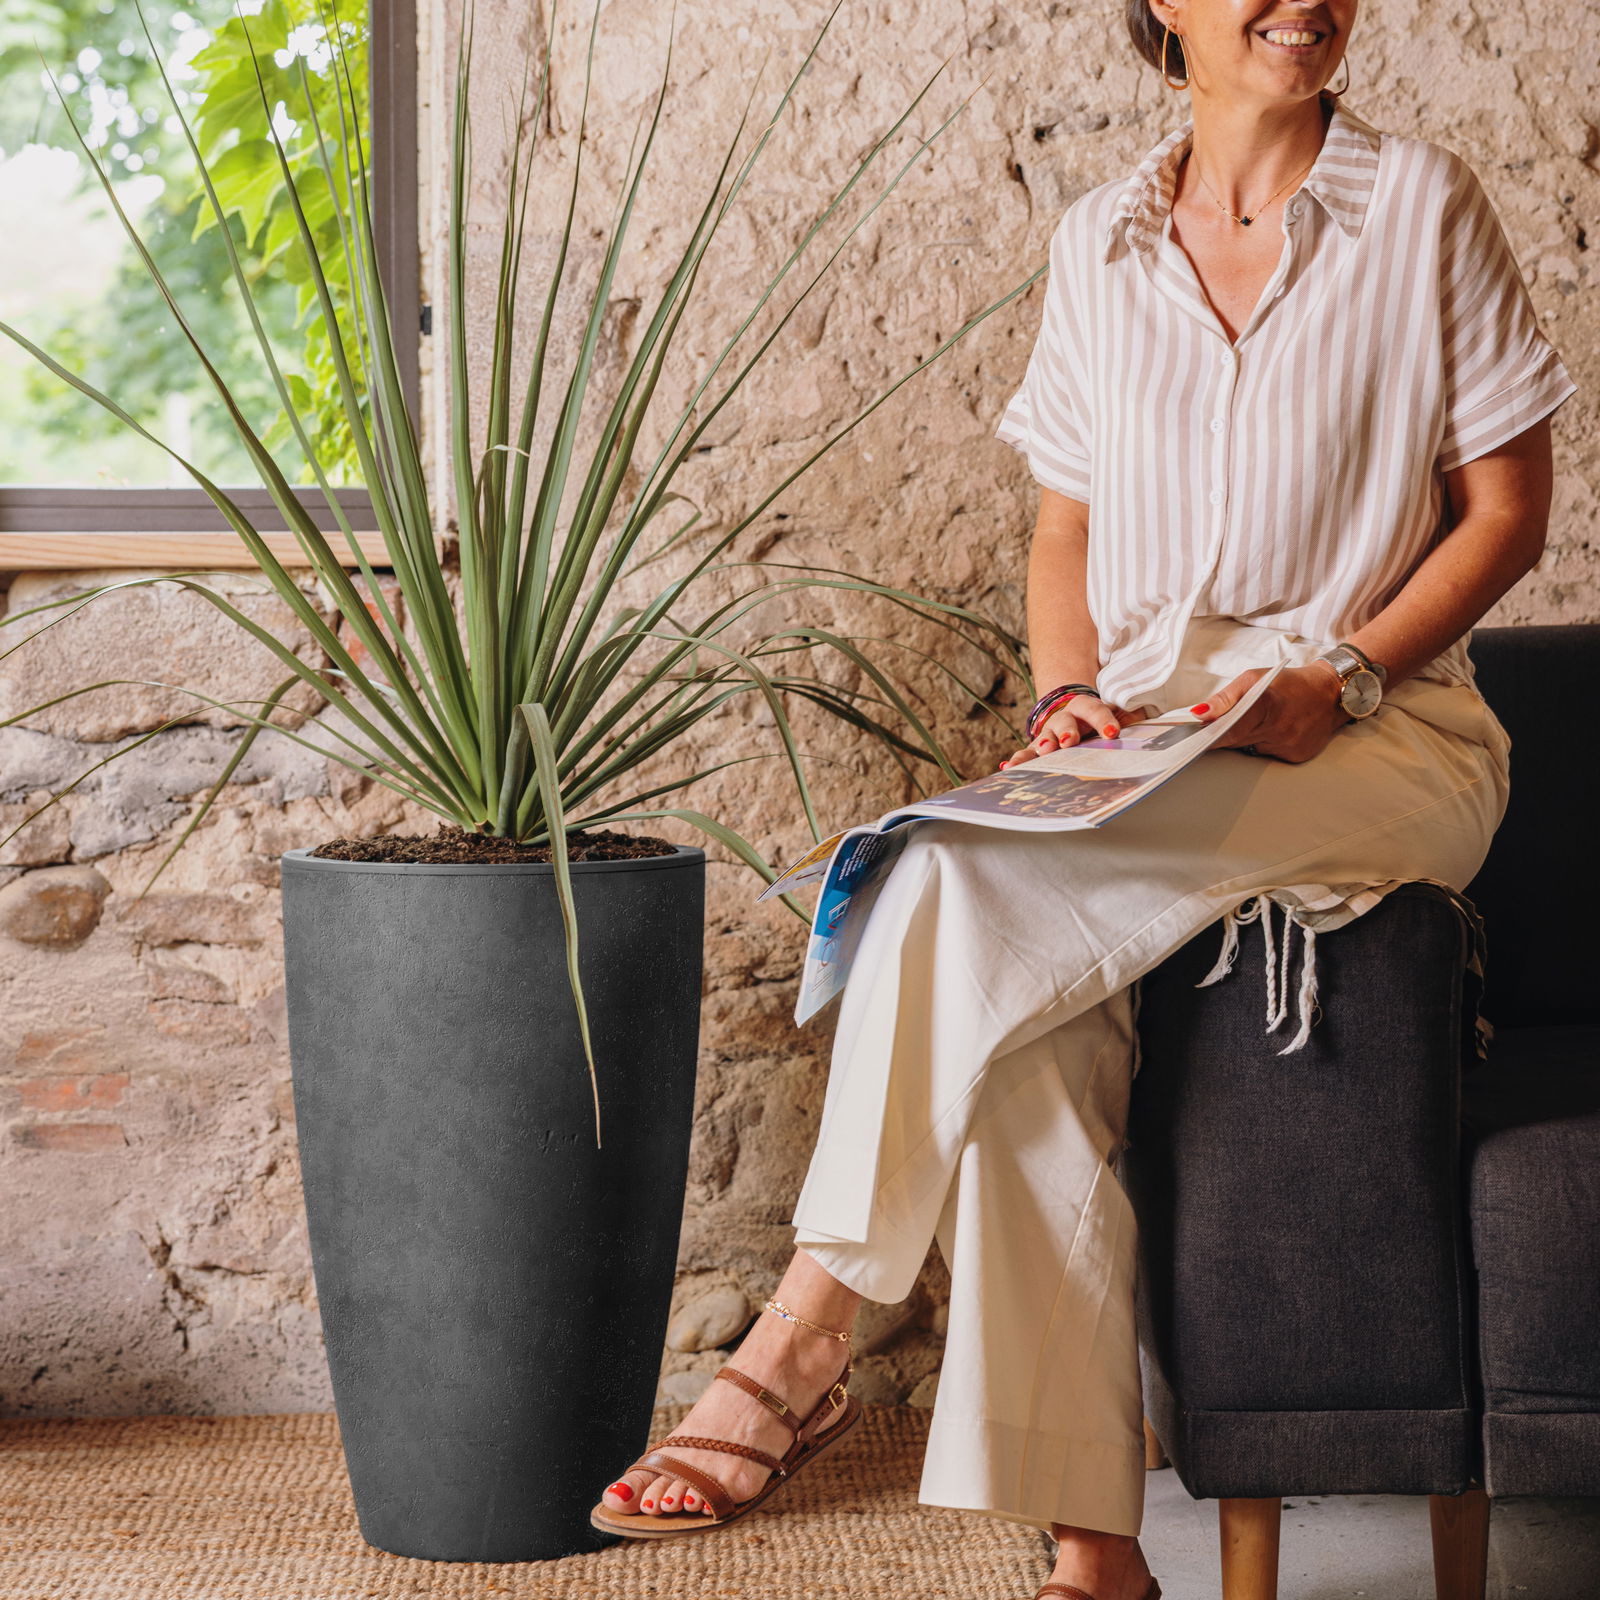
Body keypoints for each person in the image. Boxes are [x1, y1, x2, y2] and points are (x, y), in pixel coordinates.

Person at [590, 2, 1579, 1596]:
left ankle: (799, 1335)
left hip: (1382, 735)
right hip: (1148, 735)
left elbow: (1508, 513)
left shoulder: (1425, 207)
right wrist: (1066, 698)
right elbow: (1067, 527)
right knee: (1028, 1023)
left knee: (952, 882)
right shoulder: (1100, 243)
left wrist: (1349, 675)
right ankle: (1095, 1549)